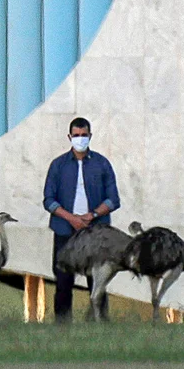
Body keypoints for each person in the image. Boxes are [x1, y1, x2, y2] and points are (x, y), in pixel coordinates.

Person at [43, 117, 121, 323]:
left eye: (83, 135)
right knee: (63, 281)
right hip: (64, 230)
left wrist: (91, 215)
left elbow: (113, 199)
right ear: (69, 137)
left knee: (97, 280)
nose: (80, 139)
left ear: (90, 136)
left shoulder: (102, 164)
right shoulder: (58, 165)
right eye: (76, 136)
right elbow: (48, 200)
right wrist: (71, 218)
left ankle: (100, 324)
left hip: (95, 232)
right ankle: (62, 325)